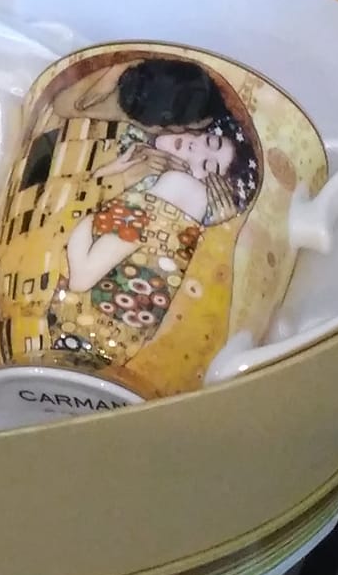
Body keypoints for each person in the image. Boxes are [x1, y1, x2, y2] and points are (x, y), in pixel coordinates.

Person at [45, 57, 262, 369]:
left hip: (103, 320)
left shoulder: (182, 188)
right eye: (208, 140)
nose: (194, 147)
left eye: (207, 164)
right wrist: (118, 172)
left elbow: (82, 262)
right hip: (91, 324)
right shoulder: (140, 158)